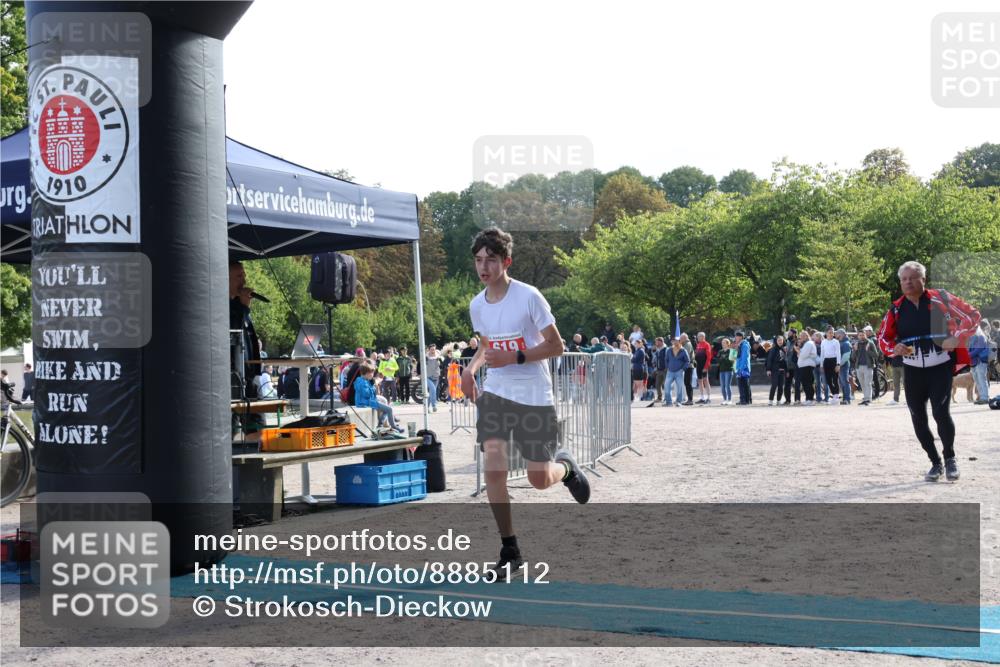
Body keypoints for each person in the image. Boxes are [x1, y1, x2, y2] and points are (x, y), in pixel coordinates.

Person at [461, 227, 590, 576]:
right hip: (497, 392)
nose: (483, 266)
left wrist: (516, 357)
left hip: (533, 394)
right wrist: (470, 370)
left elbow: (556, 345)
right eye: (478, 260)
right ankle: (510, 548)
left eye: (490, 259)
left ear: (506, 261)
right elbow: (487, 346)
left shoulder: (529, 296)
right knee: (494, 466)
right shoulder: (477, 305)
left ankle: (565, 467)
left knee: (537, 478)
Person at [876, 260, 981, 482]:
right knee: (918, 418)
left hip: (940, 367)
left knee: (941, 413)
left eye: (912, 278)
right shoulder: (896, 308)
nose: (908, 282)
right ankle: (935, 462)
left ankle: (950, 458)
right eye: (903, 279)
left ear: (923, 279)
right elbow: (882, 337)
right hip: (913, 371)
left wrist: (957, 337)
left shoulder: (940, 299)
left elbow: (972, 316)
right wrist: (894, 348)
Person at [229, 260, 262, 400]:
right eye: (239, 276)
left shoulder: (240, 305)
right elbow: (233, 331)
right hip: (234, 375)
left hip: (251, 372)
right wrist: (244, 307)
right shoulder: (222, 305)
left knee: (259, 418)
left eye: (244, 275)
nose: (244, 280)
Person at [353, 363, 403, 433]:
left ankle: (381, 423)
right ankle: (393, 426)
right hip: (364, 402)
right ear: (367, 373)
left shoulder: (363, 380)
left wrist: (372, 384)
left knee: (386, 406)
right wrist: (374, 384)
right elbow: (366, 394)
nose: (372, 375)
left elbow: (370, 394)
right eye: (372, 373)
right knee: (389, 409)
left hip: (368, 401)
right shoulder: (362, 382)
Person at [853, 328, 878, 406]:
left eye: (863, 335)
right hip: (859, 367)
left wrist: (868, 351)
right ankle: (865, 398)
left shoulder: (870, 343)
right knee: (862, 383)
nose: (861, 336)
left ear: (865, 335)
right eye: (860, 335)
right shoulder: (857, 344)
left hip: (868, 366)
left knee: (868, 383)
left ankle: (869, 399)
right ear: (858, 336)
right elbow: (853, 358)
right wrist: (855, 350)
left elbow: (876, 355)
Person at [663, 336, 689, 407]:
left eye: (676, 340)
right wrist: (667, 367)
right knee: (667, 386)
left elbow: (687, 361)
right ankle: (669, 402)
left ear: (680, 341)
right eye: (674, 340)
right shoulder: (669, 350)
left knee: (679, 387)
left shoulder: (683, 350)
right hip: (670, 371)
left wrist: (683, 369)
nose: (675, 342)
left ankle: (678, 402)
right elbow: (666, 359)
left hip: (679, 372)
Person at [969, 326, 991, 405]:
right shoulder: (972, 337)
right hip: (974, 362)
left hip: (980, 361)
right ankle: (981, 397)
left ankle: (985, 397)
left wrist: (967, 355)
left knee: (981, 379)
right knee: (977, 380)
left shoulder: (981, 337)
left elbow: (978, 350)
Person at [796, 330, 818, 405]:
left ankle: (810, 399)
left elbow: (802, 355)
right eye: (800, 336)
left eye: (802, 336)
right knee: (805, 383)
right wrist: (800, 352)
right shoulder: (805, 344)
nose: (800, 338)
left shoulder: (809, 343)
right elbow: (801, 355)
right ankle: (808, 398)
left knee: (808, 382)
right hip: (804, 366)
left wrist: (798, 351)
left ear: (806, 336)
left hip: (807, 366)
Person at [820, 327, 841, 403]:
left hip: (834, 360)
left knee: (835, 379)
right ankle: (834, 394)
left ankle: (836, 396)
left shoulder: (836, 342)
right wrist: (821, 365)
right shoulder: (823, 342)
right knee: (828, 380)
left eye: (832, 332)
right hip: (826, 361)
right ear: (826, 333)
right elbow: (822, 354)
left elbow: (838, 353)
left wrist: (838, 364)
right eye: (829, 332)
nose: (831, 334)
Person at [766, 335, 787, 405]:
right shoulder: (773, 349)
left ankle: (778, 400)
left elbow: (785, 361)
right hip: (775, 370)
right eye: (779, 340)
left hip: (782, 370)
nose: (780, 342)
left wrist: (787, 370)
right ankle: (770, 400)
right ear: (776, 341)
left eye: (781, 340)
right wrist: (768, 369)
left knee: (781, 386)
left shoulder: (784, 349)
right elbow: (769, 360)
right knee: (774, 385)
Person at [694, 332, 713, 404]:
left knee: (705, 380)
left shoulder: (707, 344)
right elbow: (696, 355)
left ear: (703, 337)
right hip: (698, 365)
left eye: (699, 337)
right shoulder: (698, 345)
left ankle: (708, 397)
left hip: (704, 365)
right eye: (697, 337)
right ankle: (702, 397)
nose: (697, 338)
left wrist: (706, 367)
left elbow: (709, 357)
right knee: (699, 381)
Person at [836, 328, 853, 405]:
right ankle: (845, 398)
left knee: (845, 382)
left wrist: (839, 365)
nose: (836, 335)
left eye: (837, 334)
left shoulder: (846, 343)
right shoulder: (841, 342)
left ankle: (847, 399)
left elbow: (846, 356)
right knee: (842, 383)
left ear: (841, 334)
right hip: (840, 366)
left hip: (843, 366)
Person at [734, 331, 752, 405]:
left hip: (743, 368)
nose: (735, 338)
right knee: (742, 384)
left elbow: (745, 357)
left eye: (736, 336)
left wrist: (740, 368)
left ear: (740, 337)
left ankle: (745, 400)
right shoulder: (740, 345)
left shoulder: (744, 345)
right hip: (740, 367)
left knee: (744, 384)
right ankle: (744, 399)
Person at [783, 329, 800, 405]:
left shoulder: (797, 342)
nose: (788, 335)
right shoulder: (787, 342)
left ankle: (797, 399)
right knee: (787, 384)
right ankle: (787, 400)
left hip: (796, 366)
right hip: (788, 366)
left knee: (797, 384)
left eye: (789, 333)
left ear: (794, 334)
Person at [717, 338, 735, 405]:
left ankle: (729, 400)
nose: (722, 344)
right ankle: (724, 399)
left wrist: (724, 359)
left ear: (728, 344)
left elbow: (731, 361)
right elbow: (718, 360)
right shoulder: (720, 351)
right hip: (722, 370)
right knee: (722, 386)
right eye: (722, 343)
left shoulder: (731, 351)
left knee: (727, 385)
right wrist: (723, 359)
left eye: (724, 343)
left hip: (729, 370)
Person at [679, 333, 695, 406]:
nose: (680, 340)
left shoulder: (687, 345)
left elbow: (685, 355)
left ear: (685, 338)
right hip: (687, 366)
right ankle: (689, 399)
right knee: (687, 383)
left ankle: (690, 399)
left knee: (688, 383)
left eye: (681, 338)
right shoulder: (685, 344)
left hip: (689, 366)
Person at [424, 344, 441, 412]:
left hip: (436, 376)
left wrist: (440, 363)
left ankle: (427, 408)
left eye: (434, 349)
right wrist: (420, 374)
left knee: (431, 392)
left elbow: (442, 365)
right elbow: (420, 365)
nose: (433, 351)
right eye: (431, 349)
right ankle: (434, 405)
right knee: (433, 390)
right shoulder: (426, 357)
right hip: (428, 376)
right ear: (429, 350)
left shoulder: (439, 356)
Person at [812, 331, 828, 403]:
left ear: (819, 337)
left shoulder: (824, 344)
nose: (814, 338)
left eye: (815, 336)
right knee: (817, 383)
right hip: (815, 366)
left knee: (825, 382)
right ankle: (818, 398)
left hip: (823, 366)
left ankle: (826, 397)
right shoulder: (813, 344)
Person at [652, 337, 668, 402]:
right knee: (658, 384)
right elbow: (655, 359)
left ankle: (667, 398)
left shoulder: (666, 349)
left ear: (661, 342)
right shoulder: (658, 349)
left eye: (657, 342)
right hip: (659, 370)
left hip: (665, 369)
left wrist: (667, 368)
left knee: (666, 385)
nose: (656, 343)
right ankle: (659, 398)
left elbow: (667, 359)